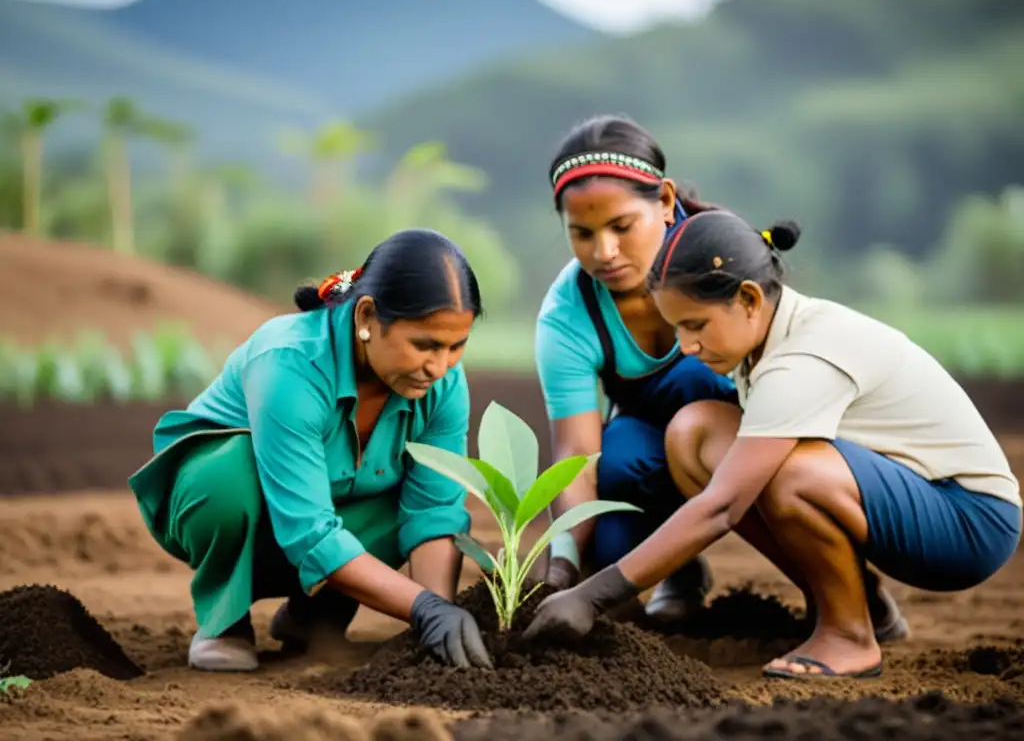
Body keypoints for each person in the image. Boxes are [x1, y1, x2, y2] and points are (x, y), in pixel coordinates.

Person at [523, 210, 1022, 680]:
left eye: (695, 325)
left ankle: (850, 633)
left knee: (785, 472)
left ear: (748, 299)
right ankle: (846, 601)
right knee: (694, 432)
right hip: (906, 495)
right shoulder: (762, 341)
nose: (687, 346)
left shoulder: (802, 357)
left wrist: (593, 595)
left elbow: (722, 507)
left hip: (968, 520)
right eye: (677, 327)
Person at [127, 228, 494, 672]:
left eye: (457, 346)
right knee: (231, 475)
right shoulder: (289, 363)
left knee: (409, 506)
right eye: (424, 345)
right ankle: (224, 622)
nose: (439, 366)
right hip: (224, 510)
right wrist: (421, 609)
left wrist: (438, 616)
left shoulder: (444, 384)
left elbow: (434, 512)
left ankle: (312, 620)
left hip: (330, 511)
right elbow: (310, 528)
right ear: (366, 318)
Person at [533, 113, 739, 622]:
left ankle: (853, 592)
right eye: (582, 234)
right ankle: (680, 570)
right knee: (614, 476)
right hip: (652, 446)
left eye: (621, 227)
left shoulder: (725, 263)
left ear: (665, 203)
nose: (604, 253)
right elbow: (579, 452)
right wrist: (563, 566)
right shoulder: (568, 314)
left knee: (695, 377)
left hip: (752, 437)